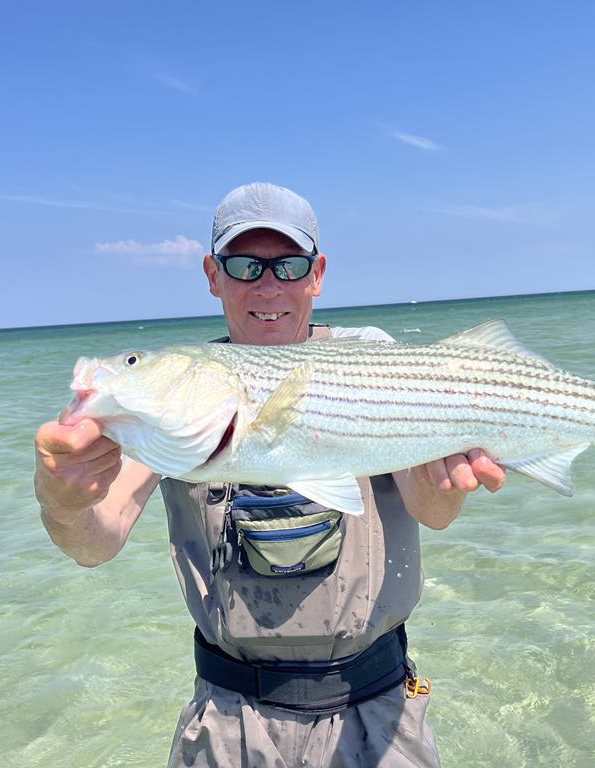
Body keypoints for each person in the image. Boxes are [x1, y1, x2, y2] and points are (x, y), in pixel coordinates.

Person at [34, 182, 505, 767]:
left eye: (288, 266)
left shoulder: (374, 357)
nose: (267, 285)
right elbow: (95, 543)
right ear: (212, 274)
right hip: (230, 720)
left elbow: (430, 512)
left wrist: (444, 483)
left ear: (317, 273)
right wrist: (62, 499)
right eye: (243, 264)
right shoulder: (176, 407)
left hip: (380, 708)